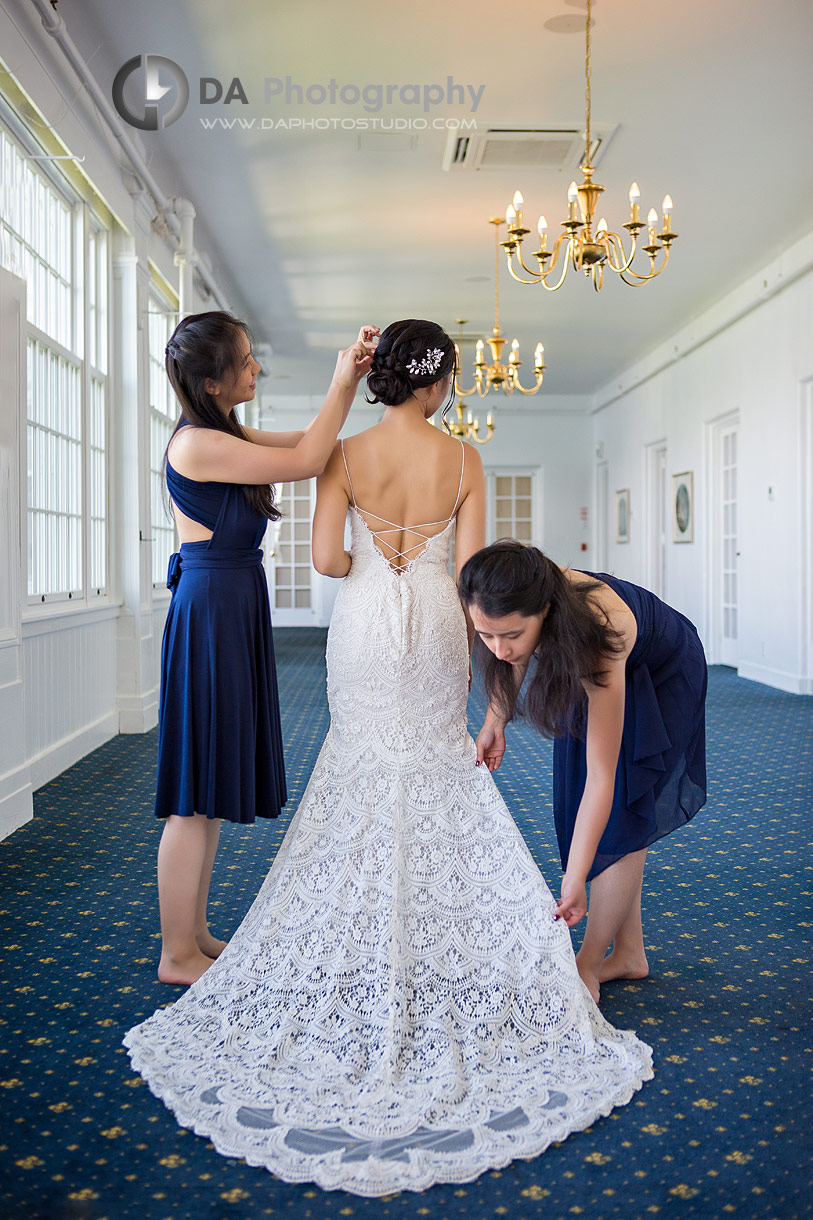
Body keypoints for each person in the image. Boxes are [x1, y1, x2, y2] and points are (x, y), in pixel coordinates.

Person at [124, 320, 652, 1197]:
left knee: (360, 771)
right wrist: (493, 696)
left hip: (365, 628)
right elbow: (476, 576)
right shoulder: (465, 461)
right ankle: (445, 943)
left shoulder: (341, 452)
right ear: (439, 383)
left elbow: (330, 559)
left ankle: (358, 932)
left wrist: (377, 558)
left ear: (380, 382)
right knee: (442, 773)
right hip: (445, 632)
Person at [153, 311, 377, 986]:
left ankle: (192, 935)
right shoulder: (196, 445)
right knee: (194, 793)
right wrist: (343, 377)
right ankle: (175, 954)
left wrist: (354, 393)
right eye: (246, 362)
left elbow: (312, 444)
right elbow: (309, 459)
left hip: (230, 600)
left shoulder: (222, 433)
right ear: (212, 379)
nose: (256, 370)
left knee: (210, 785)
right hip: (212, 606)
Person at [458, 540, 707, 1003]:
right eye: (485, 635)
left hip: (662, 667)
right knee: (576, 804)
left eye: (511, 635)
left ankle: (588, 963)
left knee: (626, 812)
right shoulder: (524, 596)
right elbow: (511, 656)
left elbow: (602, 778)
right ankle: (630, 952)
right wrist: (496, 720)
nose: (499, 648)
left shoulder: (594, 635)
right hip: (597, 659)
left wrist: (574, 880)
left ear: (545, 611)